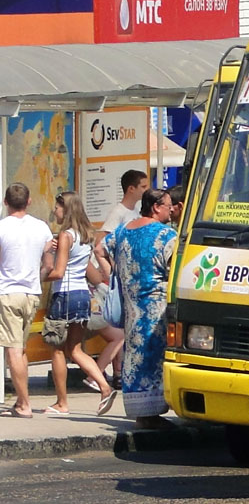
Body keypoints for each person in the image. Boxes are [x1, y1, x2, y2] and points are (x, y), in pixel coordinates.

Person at [104, 189, 178, 429]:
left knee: (134, 356)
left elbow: (99, 249)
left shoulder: (124, 231)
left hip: (131, 305)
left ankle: (141, 413)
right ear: (156, 207)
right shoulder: (166, 235)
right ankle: (151, 415)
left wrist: (115, 274)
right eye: (168, 206)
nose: (171, 210)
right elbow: (174, 266)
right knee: (154, 357)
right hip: (155, 307)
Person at [41, 191, 118, 416]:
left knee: (56, 349)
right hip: (82, 296)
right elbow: (82, 268)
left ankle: (62, 403)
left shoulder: (66, 235)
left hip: (64, 295)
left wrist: (43, 270)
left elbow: (59, 272)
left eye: (57, 207)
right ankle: (104, 387)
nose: (54, 211)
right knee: (74, 350)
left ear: (66, 209)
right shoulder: (86, 235)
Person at [0, 183, 54, 419]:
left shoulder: (2, 228)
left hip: (8, 293)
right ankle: (22, 400)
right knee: (20, 348)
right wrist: (36, 279)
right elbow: (49, 264)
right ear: (29, 201)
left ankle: (24, 403)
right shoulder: (42, 228)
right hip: (32, 294)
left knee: (12, 350)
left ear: (5, 202)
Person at [99, 169, 148, 242]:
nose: (147, 190)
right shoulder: (117, 212)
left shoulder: (136, 210)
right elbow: (101, 239)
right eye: (143, 187)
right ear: (131, 188)